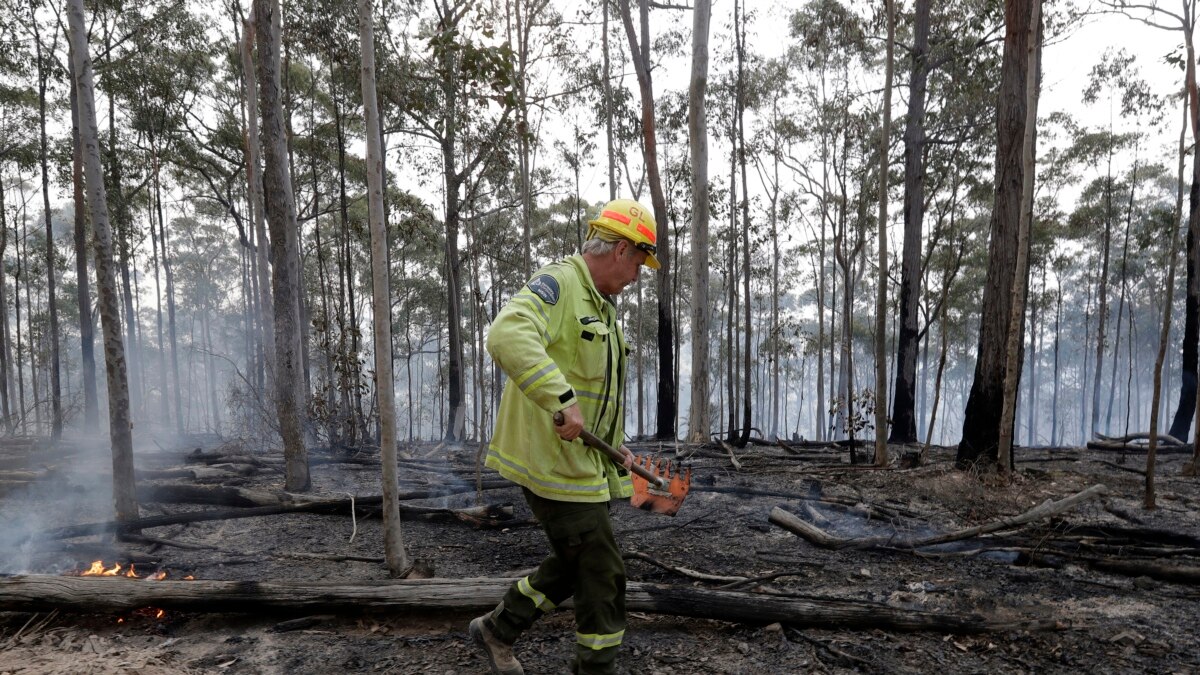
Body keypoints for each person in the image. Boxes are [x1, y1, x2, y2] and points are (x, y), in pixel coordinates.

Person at [469, 198, 660, 675]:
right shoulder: (560, 284)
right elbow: (506, 334)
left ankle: (497, 629)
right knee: (602, 573)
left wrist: (616, 448)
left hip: (581, 465)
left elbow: (595, 392)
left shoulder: (603, 309)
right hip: (550, 466)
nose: (638, 274)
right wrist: (559, 397)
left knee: (575, 563)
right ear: (619, 250)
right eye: (639, 261)